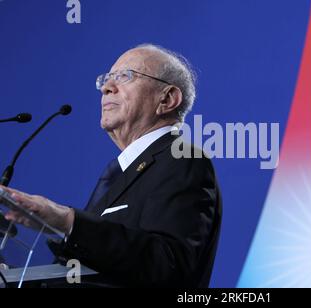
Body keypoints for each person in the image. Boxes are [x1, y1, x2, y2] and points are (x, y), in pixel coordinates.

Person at [0, 44, 222, 288]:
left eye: (125, 76)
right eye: (106, 80)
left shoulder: (182, 160)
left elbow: (166, 264)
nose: (106, 88)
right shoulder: (120, 174)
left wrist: (67, 221)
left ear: (167, 99)